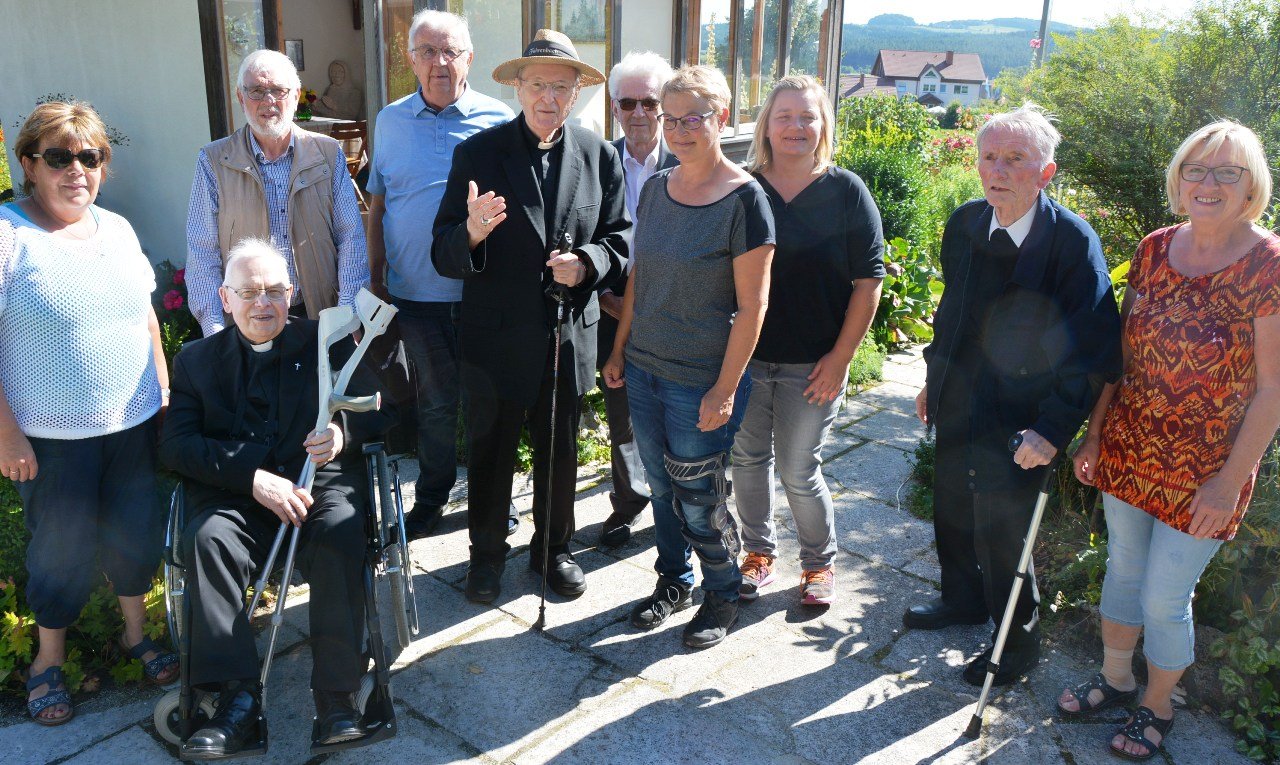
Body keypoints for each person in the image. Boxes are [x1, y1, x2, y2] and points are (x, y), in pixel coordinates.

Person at [1059, 121, 1280, 760]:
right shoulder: (1155, 249)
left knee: (1164, 595)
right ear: (1179, 181)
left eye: (1226, 172)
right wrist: (1094, 434)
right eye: (1196, 169)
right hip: (1129, 446)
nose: (1207, 183)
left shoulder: (1268, 264)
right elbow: (1118, 356)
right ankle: (1116, 679)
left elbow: (1272, 390)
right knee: (1124, 572)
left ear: (1250, 187)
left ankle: (1158, 708)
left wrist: (1230, 481)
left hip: (1209, 468)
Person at [907, 103, 1122, 686]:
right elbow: (949, 315)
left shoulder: (1073, 245)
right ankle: (962, 599)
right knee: (950, 501)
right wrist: (934, 376)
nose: (997, 169)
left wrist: (1054, 430)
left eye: (1015, 159)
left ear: (1045, 172)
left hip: (1023, 413)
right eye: (989, 157)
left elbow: (1093, 353)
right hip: (960, 394)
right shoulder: (966, 224)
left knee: (1004, 526)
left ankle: (1016, 640)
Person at [160, 240, 392, 758]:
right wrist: (252, 478)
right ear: (224, 297)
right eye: (249, 292)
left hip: (319, 489)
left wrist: (342, 435)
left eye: (274, 291)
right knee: (207, 539)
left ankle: (336, 699)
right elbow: (175, 446)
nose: (262, 303)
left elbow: (381, 407)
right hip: (238, 498)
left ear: (292, 295)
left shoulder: (326, 340)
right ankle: (236, 704)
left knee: (341, 531)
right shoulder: (197, 361)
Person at [432, 30, 629, 604]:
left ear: (576, 95)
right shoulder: (478, 154)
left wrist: (587, 263)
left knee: (560, 448)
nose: (549, 97)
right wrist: (470, 231)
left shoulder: (601, 156)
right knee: (491, 451)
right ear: (518, 87)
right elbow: (440, 249)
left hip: (568, 335)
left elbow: (621, 240)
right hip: (495, 339)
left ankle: (553, 551)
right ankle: (485, 556)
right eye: (539, 84)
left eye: (561, 87)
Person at [2, 101, 174, 725]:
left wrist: (161, 391)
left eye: (90, 156)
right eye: (60, 157)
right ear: (29, 164)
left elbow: (147, 317)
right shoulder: (7, 233)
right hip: (50, 437)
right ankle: (48, 661)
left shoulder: (117, 229)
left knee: (134, 533)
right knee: (59, 552)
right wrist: (7, 435)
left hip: (130, 422)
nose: (77, 169)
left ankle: (136, 633)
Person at [602, 65, 775, 649]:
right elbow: (639, 280)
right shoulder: (655, 189)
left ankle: (722, 593)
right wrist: (620, 350)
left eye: (691, 118)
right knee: (658, 489)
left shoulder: (746, 201)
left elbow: (753, 308)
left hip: (699, 379)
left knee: (700, 501)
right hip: (645, 370)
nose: (677, 130)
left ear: (720, 119)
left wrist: (724, 391)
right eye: (669, 118)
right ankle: (672, 581)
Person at [732, 75, 885, 607]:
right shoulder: (744, 187)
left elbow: (869, 284)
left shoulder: (847, 191)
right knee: (747, 461)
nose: (796, 126)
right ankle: (758, 555)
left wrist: (841, 359)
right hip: (746, 360)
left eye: (807, 116)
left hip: (814, 364)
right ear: (766, 127)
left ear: (823, 125)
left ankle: (818, 565)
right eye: (784, 116)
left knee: (798, 470)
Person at [366, 9, 513, 538]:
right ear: (410, 59)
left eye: (450, 51)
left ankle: (493, 500)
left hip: (482, 294)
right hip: (416, 297)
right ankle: (430, 500)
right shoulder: (389, 121)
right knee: (433, 406)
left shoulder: (498, 119)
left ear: (469, 58)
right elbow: (378, 205)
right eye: (427, 51)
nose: (439, 62)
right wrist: (377, 276)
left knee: (487, 405)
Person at [186, 48, 369, 338]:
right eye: (256, 90)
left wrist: (348, 312)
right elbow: (202, 252)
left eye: (278, 90)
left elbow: (350, 236)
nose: (268, 101)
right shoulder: (213, 160)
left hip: (318, 317)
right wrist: (215, 330)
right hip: (247, 324)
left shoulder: (327, 153)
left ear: (296, 95)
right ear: (240, 96)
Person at [596, 50, 678, 548]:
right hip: (611, 310)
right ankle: (628, 503)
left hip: (676, 313)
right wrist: (602, 292)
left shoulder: (688, 160)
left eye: (650, 102)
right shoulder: (599, 161)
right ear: (614, 109)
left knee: (682, 413)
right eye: (629, 103)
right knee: (622, 415)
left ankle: (695, 501)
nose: (639, 113)